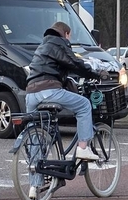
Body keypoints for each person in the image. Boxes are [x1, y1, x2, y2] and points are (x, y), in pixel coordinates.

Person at [25, 21, 108, 161]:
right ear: (66, 34)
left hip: (31, 94)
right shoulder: (59, 44)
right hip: (48, 90)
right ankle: (83, 148)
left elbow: (50, 67)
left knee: (36, 135)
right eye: (70, 36)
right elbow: (74, 63)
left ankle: (36, 182)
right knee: (84, 105)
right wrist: (96, 74)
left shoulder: (42, 46)